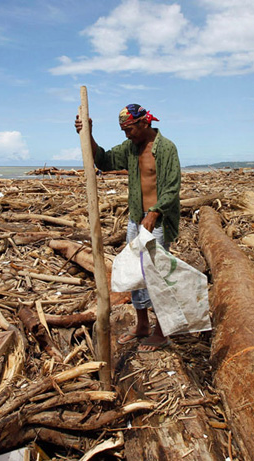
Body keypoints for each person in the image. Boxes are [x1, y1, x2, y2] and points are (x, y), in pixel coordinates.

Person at [74, 103, 181, 352]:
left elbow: (172, 187)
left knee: (156, 274)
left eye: (130, 129)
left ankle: (163, 332)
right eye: (123, 130)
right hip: (136, 217)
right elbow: (103, 160)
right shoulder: (130, 148)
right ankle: (142, 325)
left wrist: (155, 212)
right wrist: (87, 133)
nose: (127, 135)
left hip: (159, 219)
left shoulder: (166, 148)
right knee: (135, 273)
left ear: (145, 123)